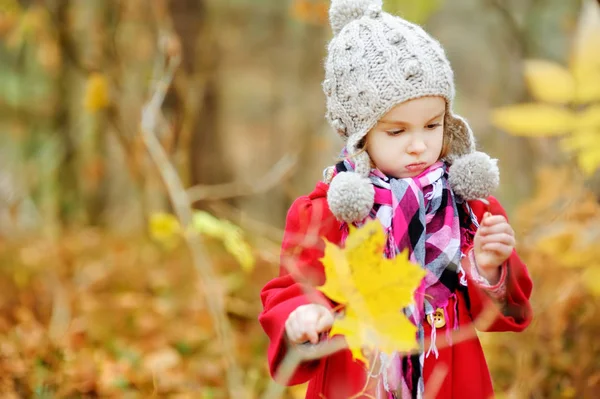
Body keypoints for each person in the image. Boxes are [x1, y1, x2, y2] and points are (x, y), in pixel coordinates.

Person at [259, 0, 533, 398]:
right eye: (396, 131)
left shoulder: (468, 207)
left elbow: (504, 316)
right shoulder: (328, 211)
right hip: (357, 376)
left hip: (450, 376)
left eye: (432, 124)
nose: (419, 145)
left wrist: (487, 268)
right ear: (361, 134)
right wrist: (302, 316)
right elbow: (289, 288)